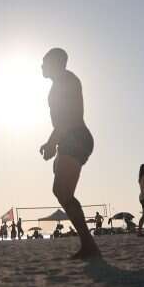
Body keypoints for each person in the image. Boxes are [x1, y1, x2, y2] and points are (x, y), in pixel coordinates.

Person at [39, 47, 100, 260]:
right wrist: (54, 146)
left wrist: (50, 143)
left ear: (56, 62)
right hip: (70, 141)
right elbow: (62, 122)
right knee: (62, 192)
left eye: (44, 61)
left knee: (62, 191)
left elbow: (67, 119)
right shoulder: (57, 85)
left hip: (77, 139)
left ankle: (89, 245)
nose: (41, 65)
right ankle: (88, 244)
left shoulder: (67, 81)